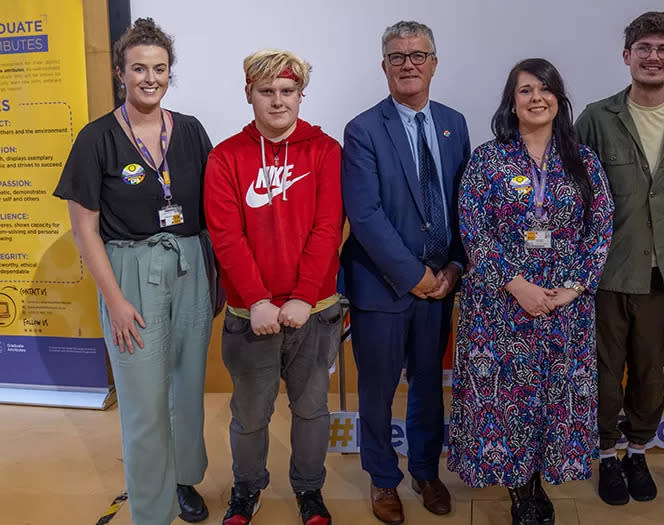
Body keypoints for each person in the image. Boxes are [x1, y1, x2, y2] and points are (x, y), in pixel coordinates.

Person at [53, 18, 212, 525]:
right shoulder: (96, 138)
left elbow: (215, 207)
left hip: (190, 268)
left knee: (187, 389)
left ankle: (183, 478)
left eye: (160, 68)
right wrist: (115, 299)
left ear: (170, 73)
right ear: (121, 73)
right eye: (139, 68)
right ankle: (151, 508)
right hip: (131, 272)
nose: (150, 78)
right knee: (144, 401)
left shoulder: (189, 131)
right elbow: (85, 230)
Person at [448, 58, 614, 525]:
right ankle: (521, 490)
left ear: (559, 99)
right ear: (512, 101)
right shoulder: (487, 159)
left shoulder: (584, 160)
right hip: (501, 304)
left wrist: (572, 288)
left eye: (545, 88)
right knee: (510, 398)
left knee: (551, 395)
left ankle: (542, 479)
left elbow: (600, 229)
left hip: (564, 307)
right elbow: (474, 231)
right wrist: (517, 285)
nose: (536, 97)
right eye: (525, 90)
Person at [203, 49, 344, 525]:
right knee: (250, 415)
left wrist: (304, 295)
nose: (278, 101)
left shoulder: (326, 152)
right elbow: (226, 235)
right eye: (267, 92)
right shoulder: (226, 157)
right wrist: (259, 300)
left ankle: (309, 490)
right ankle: (247, 488)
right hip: (251, 316)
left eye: (287, 91)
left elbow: (328, 228)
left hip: (315, 311)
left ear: (301, 95)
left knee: (310, 411)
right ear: (249, 94)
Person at [575, 10, 664, 505]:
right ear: (626, 55)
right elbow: (571, 193)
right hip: (607, 272)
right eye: (644, 48)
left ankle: (638, 449)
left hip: (663, 273)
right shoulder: (595, 117)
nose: (653, 57)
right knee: (604, 372)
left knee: (652, 373)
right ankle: (606, 454)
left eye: (663, 50)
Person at [341, 20, 471, 525]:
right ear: (385, 67)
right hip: (383, 286)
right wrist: (415, 274)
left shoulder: (454, 123)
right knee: (376, 390)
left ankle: (424, 469)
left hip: (442, 285)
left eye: (418, 55)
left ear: (434, 63)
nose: (409, 64)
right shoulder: (364, 129)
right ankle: (382, 478)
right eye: (398, 57)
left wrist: (456, 265)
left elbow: (466, 203)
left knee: (427, 385)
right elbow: (366, 215)